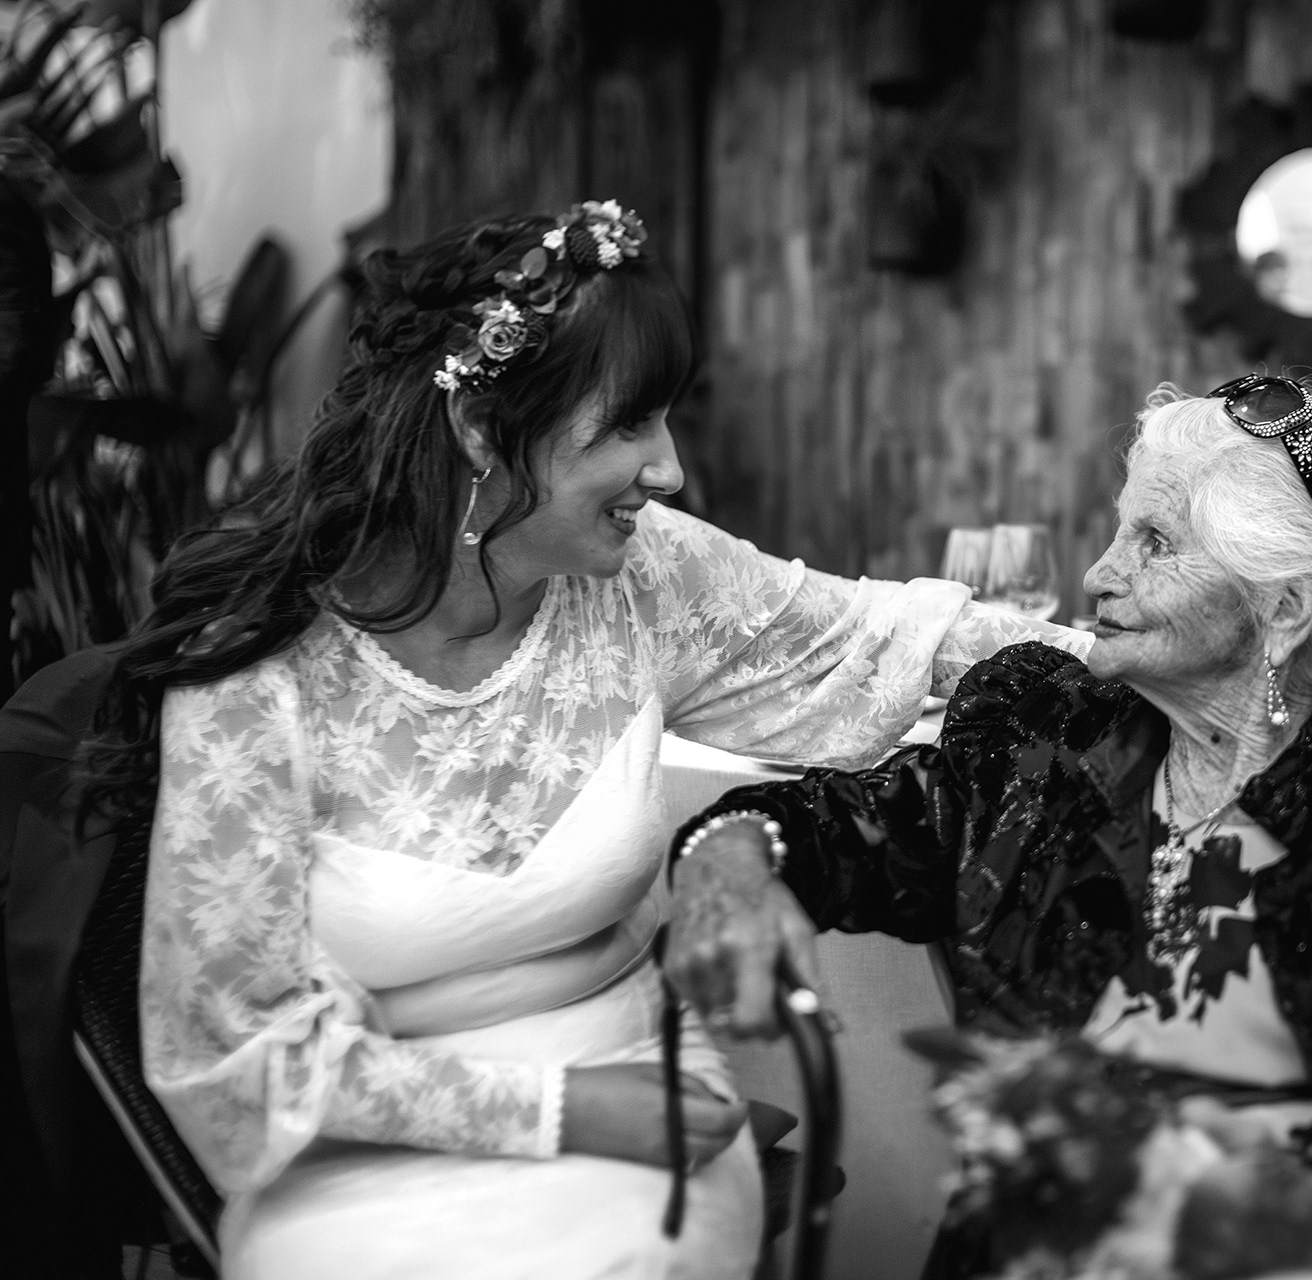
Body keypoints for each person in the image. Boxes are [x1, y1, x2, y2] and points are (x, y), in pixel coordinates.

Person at [76, 200, 1088, 1280]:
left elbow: (877, 638)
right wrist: (558, 1110)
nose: (670, 469)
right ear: (480, 426)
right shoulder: (257, 671)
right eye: (628, 425)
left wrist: (1132, 652)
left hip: (640, 1115)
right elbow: (234, 1065)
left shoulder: (642, 581)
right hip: (347, 1162)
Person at [663, 379, 1312, 1279]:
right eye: (1118, 527)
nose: (1099, 572)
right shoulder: (1044, 737)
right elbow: (828, 824)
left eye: (1156, 541)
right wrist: (731, 863)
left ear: (1285, 609)